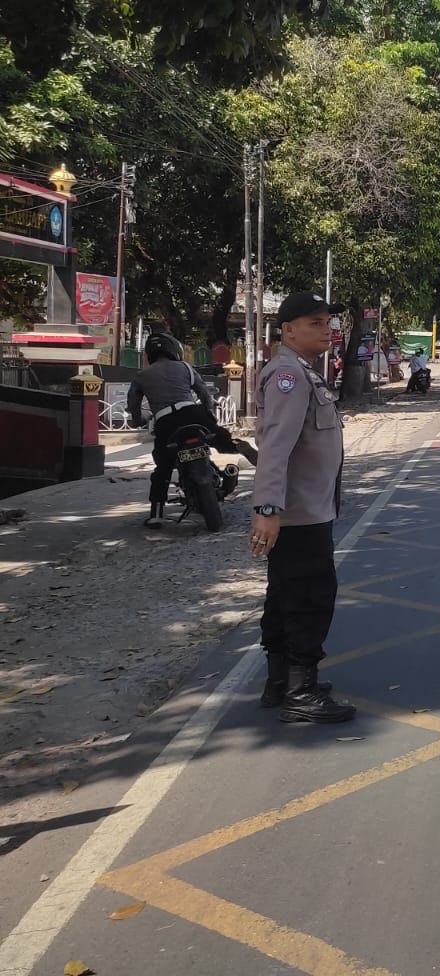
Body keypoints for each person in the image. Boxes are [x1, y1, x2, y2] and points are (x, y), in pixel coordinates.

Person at [249, 291, 357, 725]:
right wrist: (268, 508)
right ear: (288, 330)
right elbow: (275, 447)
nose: (326, 329)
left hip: (307, 509)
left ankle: (280, 682)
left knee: (284, 597)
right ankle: (301, 690)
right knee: (310, 599)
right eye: (315, 322)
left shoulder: (304, 374)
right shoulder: (288, 377)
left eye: (327, 321)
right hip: (298, 514)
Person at [128, 331, 256, 528]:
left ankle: (156, 513)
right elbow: (204, 394)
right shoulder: (185, 368)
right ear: (174, 349)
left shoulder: (141, 376)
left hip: (165, 422)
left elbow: (134, 406)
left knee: (162, 468)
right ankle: (242, 451)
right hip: (193, 413)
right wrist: (210, 416)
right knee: (221, 440)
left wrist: (138, 421)